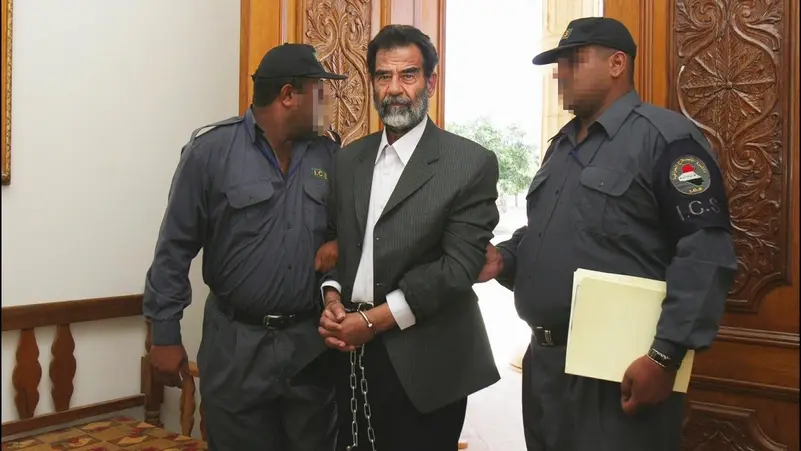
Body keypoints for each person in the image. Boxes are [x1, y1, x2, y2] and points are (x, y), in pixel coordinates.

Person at [477, 17, 738, 451]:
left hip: (616, 372)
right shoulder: (561, 146)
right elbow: (547, 233)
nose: (560, 74)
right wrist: (504, 259)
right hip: (545, 369)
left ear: (617, 64)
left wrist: (664, 357)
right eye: (558, 64)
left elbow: (706, 253)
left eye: (573, 62)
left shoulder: (665, 139)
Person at [143, 43, 345, 451]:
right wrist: (164, 333)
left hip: (308, 349)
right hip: (237, 348)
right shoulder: (211, 153)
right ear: (288, 95)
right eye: (319, 91)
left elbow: (343, 228)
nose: (327, 102)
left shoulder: (328, 154)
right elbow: (174, 247)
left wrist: (340, 242)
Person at [317, 24, 501, 451]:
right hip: (349, 354)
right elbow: (334, 243)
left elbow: (457, 269)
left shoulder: (469, 163)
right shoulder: (348, 160)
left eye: (409, 75)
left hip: (427, 365)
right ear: (372, 83)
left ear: (431, 83)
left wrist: (371, 322)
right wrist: (331, 297)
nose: (395, 89)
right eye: (384, 76)